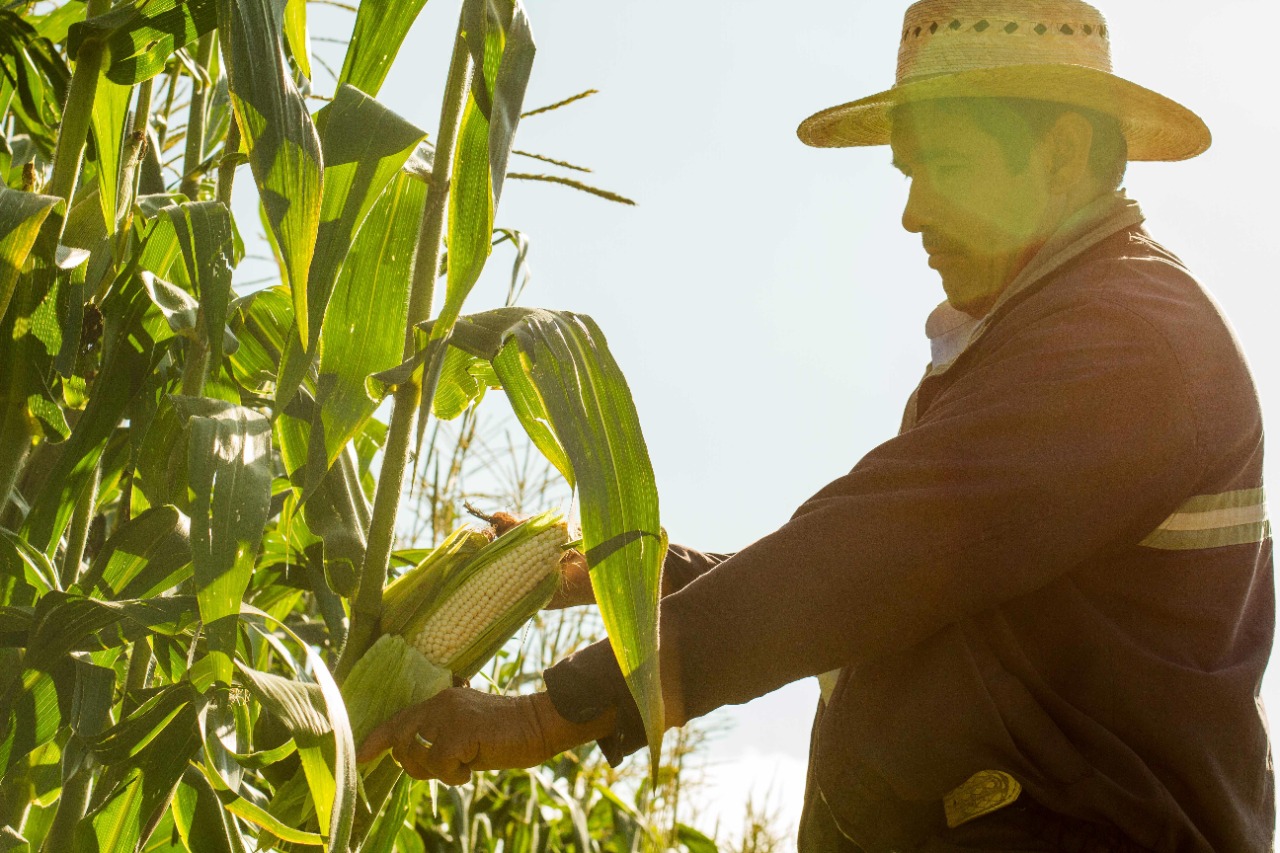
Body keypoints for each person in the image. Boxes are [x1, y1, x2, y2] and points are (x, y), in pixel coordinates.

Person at [358, 1, 1274, 850]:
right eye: (908, 174)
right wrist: (625, 576)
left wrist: (543, 714)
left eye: (945, 167)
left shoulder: (1132, 338)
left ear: (1064, 155)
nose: (912, 212)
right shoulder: (1053, 333)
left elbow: (874, 555)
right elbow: (893, 585)